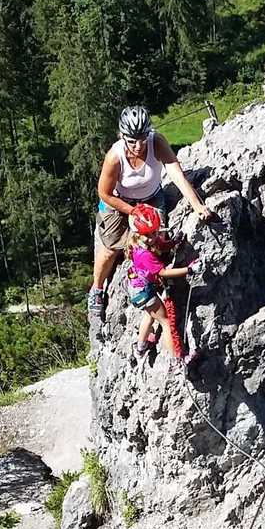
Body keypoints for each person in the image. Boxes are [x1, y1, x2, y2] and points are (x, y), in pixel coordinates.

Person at [88, 104, 216, 319]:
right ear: (122, 136)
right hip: (118, 201)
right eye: (131, 140)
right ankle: (97, 289)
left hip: (151, 198)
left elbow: (176, 175)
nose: (138, 146)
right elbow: (104, 193)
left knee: (157, 240)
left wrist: (197, 206)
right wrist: (132, 211)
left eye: (142, 138)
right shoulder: (115, 156)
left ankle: (153, 280)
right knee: (111, 248)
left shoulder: (156, 142)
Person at [127, 204, 195, 364]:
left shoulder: (143, 242)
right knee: (165, 321)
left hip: (137, 288)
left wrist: (173, 243)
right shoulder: (144, 254)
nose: (153, 237)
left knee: (149, 315)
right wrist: (189, 270)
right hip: (143, 292)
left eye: (155, 232)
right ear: (137, 234)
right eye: (148, 235)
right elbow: (163, 272)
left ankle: (140, 348)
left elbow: (159, 244)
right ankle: (177, 359)